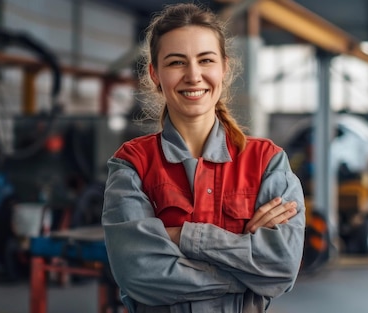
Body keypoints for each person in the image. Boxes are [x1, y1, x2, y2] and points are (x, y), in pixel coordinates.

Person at [102, 3, 306, 312]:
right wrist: (244, 270)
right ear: (155, 74)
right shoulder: (132, 164)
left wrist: (182, 236)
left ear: (224, 68)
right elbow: (138, 273)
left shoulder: (268, 162)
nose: (193, 75)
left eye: (205, 60)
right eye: (176, 63)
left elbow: (282, 267)